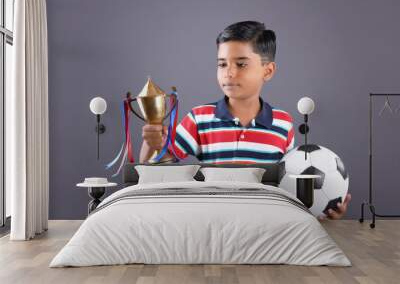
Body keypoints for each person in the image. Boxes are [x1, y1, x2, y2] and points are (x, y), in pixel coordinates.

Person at [139, 21, 350, 220]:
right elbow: (155, 163)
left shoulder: (283, 123)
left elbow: (288, 180)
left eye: (241, 64)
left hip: (265, 220)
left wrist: (318, 209)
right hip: (212, 217)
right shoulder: (199, 117)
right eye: (222, 64)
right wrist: (151, 140)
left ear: (267, 71)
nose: (229, 73)